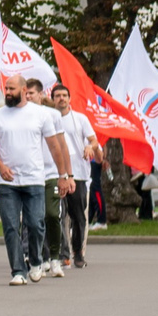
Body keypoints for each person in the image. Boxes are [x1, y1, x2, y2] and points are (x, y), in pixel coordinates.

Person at [0, 74, 69, 284]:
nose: (7, 92)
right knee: (10, 226)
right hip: (7, 182)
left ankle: (36, 261)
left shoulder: (40, 114)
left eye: (11, 89)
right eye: (6, 89)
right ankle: (18, 271)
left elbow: (55, 147)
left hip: (35, 179)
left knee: (37, 224)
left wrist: (63, 175)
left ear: (24, 90)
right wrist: (1, 166)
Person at [49, 83, 96, 266]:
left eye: (64, 95)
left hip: (78, 174)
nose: (61, 98)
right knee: (57, 214)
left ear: (69, 99)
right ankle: (62, 253)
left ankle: (78, 253)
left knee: (78, 216)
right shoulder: (48, 118)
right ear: (52, 99)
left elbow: (93, 140)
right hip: (56, 173)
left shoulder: (80, 119)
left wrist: (89, 147)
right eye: (57, 95)